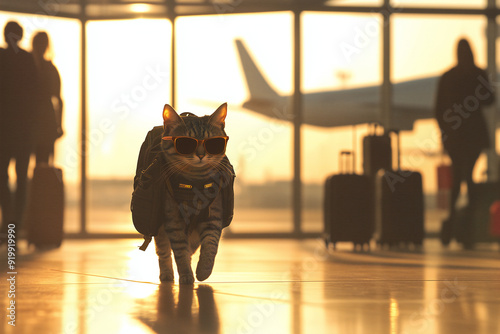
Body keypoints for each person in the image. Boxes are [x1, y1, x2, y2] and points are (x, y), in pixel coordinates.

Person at [435, 38, 495, 246]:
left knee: (457, 180)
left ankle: (451, 227)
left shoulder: (448, 77)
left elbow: (439, 109)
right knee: (469, 179)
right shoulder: (478, 74)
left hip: (455, 136)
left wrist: (444, 132)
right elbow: (489, 100)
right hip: (473, 137)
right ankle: (469, 229)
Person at [0, 21, 38, 240]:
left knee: (3, 177)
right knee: (21, 178)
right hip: (22, 131)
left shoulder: (3, 57)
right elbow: (34, 96)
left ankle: (8, 223)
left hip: (5, 130)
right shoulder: (26, 60)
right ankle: (15, 225)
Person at [31, 31, 64, 165]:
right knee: (44, 164)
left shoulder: (28, 67)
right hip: (46, 122)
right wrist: (59, 125)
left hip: (32, 121)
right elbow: (59, 100)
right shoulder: (50, 69)